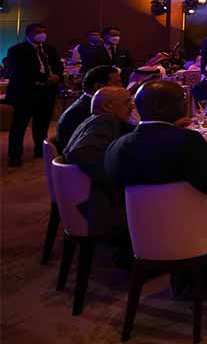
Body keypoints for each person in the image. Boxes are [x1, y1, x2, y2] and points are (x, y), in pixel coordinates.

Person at [106, 80, 207, 232]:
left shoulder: (116, 147)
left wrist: (171, 127)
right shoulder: (187, 141)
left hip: (141, 233)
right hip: (198, 229)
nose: (186, 104)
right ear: (163, 107)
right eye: (182, 99)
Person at [63, 86, 135, 238]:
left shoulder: (94, 120)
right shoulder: (105, 121)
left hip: (79, 197)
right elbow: (82, 152)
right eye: (127, 102)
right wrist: (115, 177)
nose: (132, 106)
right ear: (107, 106)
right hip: (97, 206)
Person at [5, 24, 64, 167]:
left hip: (46, 92)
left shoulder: (50, 49)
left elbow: (58, 66)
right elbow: (21, 71)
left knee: (42, 124)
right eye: (38, 32)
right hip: (25, 93)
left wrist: (57, 76)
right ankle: (15, 155)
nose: (42, 34)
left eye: (44, 31)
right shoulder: (17, 50)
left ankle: (40, 150)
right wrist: (45, 78)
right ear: (28, 34)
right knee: (19, 125)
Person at [53, 65, 122, 153]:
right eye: (117, 83)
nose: (121, 86)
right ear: (98, 87)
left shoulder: (88, 103)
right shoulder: (85, 111)